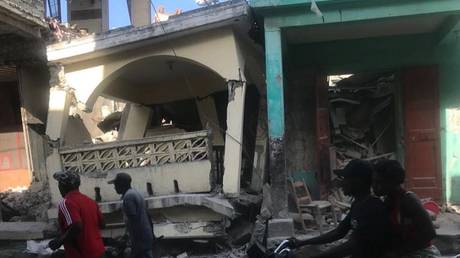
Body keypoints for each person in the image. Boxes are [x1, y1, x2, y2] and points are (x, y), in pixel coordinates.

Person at [290, 159, 390, 258]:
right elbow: (338, 232)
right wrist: (302, 242)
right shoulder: (358, 204)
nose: (342, 183)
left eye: (345, 178)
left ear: (358, 181)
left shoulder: (372, 207)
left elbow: (352, 245)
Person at [373, 159, 440, 258]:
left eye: (379, 182)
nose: (374, 186)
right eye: (373, 182)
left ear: (392, 182)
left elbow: (429, 234)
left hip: (421, 253)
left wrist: (398, 253)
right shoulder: (388, 201)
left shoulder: (408, 200)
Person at [49, 171, 106, 258]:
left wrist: (59, 241)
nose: (59, 186)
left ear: (63, 186)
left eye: (59, 184)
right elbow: (103, 224)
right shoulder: (90, 201)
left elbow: (77, 226)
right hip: (99, 250)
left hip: (81, 253)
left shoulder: (66, 203)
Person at [108, 173, 154, 258]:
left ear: (121, 184)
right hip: (146, 236)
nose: (114, 187)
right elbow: (148, 215)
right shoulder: (136, 193)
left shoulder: (128, 197)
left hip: (139, 239)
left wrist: (129, 240)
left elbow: (133, 222)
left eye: (116, 185)